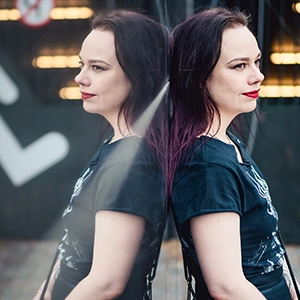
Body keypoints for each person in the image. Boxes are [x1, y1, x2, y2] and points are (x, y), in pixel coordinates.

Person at [33, 9, 169, 300]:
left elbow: (106, 283)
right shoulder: (117, 147)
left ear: (138, 76)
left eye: (98, 68)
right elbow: (74, 250)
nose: (81, 78)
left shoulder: (134, 165)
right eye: (83, 65)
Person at [169, 7, 297, 300]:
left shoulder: (228, 143)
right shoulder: (206, 165)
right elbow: (226, 286)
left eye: (256, 62)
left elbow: (268, 257)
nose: (258, 76)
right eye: (239, 66)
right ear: (199, 77)